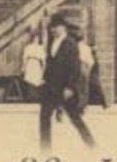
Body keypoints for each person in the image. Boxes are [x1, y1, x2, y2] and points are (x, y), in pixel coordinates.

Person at [39, 14, 94, 150]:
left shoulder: (70, 44)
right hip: (51, 87)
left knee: (75, 118)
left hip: (64, 88)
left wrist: (70, 87)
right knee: (44, 118)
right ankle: (45, 151)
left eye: (56, 27)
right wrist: (44, 80)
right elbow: (51, 63)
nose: (53, 30)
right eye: (51, 27)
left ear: (64, 28)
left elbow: (74, 67)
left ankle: (92, 145)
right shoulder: (53, 42)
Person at [20, 28, 46, 103]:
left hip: (37, 64)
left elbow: (43, 59)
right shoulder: (28, 47)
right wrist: (23, 67)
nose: (36, 39)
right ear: (32, 39)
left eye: (37, 38)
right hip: (30, 64)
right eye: (35, 38)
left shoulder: (40, 48)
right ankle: (30, 98)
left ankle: (37, 98)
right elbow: (24, 58)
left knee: (37, 80)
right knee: (29, 80)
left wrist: (44, 67)